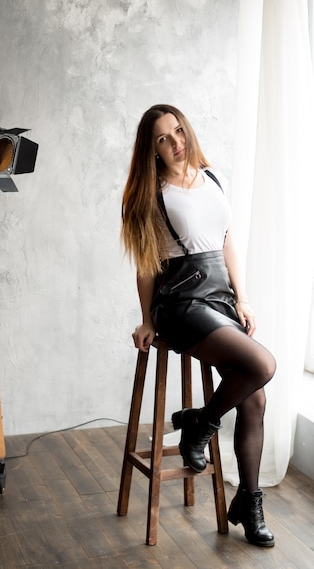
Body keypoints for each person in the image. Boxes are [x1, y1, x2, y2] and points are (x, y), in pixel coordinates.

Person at [121, 104, 276, 548]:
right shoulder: (148, 195)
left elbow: (227, 242)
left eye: (178, 131)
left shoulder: (213, 177)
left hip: (220, 296)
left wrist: (242, 298)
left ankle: (249, 500)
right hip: (182, 301)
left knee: (255, 399)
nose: (176, 143)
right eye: (163, 139)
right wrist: (148, 318)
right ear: (151, 151)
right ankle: (202, 425)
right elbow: (147, 266)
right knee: (261, 366)